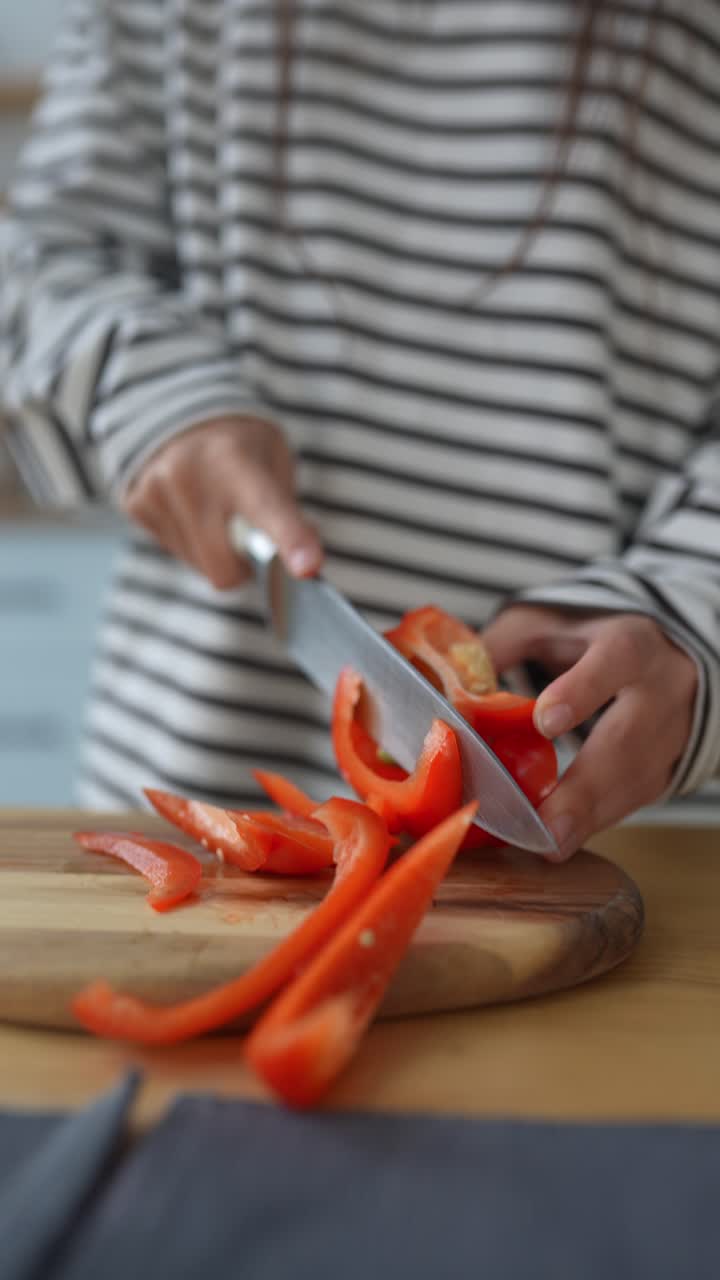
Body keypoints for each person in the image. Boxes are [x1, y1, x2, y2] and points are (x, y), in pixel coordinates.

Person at [0, 0, 718, 861]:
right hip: (194, 790)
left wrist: (692, 612)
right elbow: (43, 256)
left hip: (600, 832)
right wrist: (156, 398)